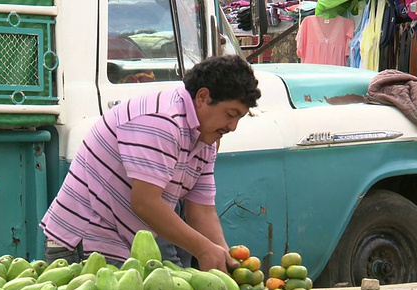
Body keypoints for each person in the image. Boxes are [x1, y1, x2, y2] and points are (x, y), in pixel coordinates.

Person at [40, 55, 261, 273]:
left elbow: (201, 211)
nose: (233, 126)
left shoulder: (206, 138)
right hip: (83, 245)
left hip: (126, 248)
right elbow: (145, 202)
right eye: (230, 115)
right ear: (203, 97)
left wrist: (223, 257)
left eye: (239, 118)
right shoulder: (161, 119)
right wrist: (204, 250)